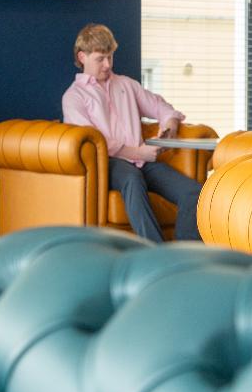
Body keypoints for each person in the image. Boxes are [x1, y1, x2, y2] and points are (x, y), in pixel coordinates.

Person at [61, 23, 202, 242]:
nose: (107, 65)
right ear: (82, 57)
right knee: (132, 179)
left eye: (110, 57)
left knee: (195, 193)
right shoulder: (74, 97)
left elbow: (162, 108)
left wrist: (169, 126)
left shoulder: (127, 85)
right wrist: (138, 152)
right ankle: (155, 254)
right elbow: (95, 141)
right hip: (108, 163)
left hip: (144, 161)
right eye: (100, 59)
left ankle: (183, 256)